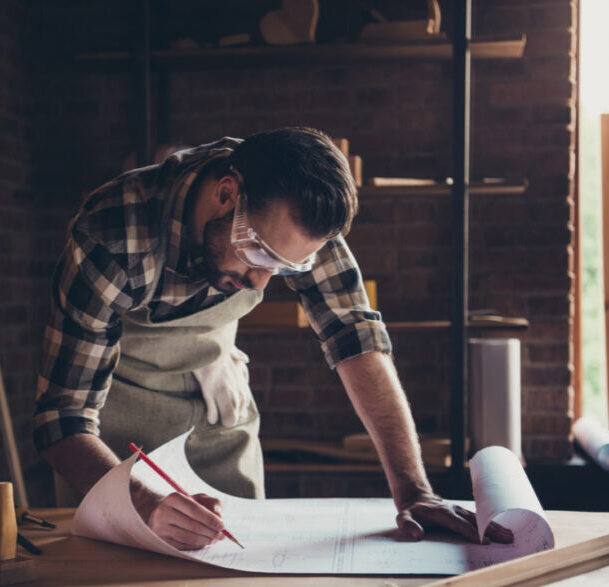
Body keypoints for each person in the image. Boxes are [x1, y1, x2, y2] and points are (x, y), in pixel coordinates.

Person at [33, 127, 512, 551]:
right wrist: (139, 499)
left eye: (285, 269)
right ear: (227, 194)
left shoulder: (298, 216)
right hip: (114, 435)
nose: (263, 283)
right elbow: (63, 418)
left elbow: (355, 338)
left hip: (216, 408)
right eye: (258, 254)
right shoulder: (115, 235)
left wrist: (414, 490)